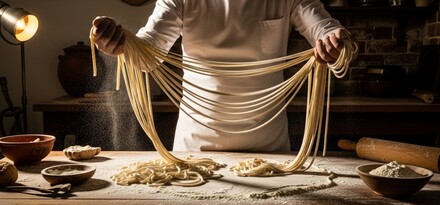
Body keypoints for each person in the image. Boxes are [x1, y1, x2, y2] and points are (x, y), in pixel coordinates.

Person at [91, 0, 356, 152]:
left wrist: (337, 43)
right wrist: (120, 42)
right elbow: (147, 53)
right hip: (194, 152)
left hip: (269, 151)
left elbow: (328, 31)